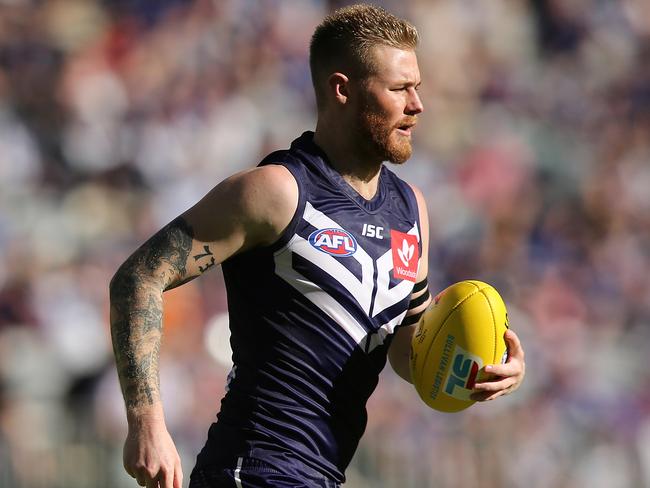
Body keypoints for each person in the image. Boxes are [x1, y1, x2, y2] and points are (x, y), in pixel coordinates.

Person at [109, 4, 526, 488]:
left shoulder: (411, 210)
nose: (417, 104)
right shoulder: (276, 191)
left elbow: (407, 351)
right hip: (255, 469)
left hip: (322, 476)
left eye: (417, 88)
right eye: (398, 89)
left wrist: (477, 369)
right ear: (342, 89)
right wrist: (147, 423)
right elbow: (138, 277)